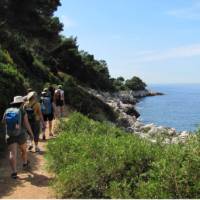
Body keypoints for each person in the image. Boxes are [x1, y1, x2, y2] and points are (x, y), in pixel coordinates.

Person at [2, 96, 34, 179]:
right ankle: (25, 163)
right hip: (20, 134)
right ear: (22, 103)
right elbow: (27, 124)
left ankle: (14, 172)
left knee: (12, 153)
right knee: (23, 150)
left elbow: (3, 122)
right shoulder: (22, 111)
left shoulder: (7, 110)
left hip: (10, 135)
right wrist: (31, 133)